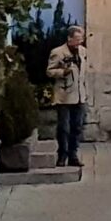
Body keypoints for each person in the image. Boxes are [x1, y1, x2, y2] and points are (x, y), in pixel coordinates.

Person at [44, 24, 90, 167]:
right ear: (69, 38)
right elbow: (49, 71)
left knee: (77, 127)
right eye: (76, 39)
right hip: (64, 95)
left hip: (79, 94)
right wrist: (63, 72)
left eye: (81, 39)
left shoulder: (82, 51)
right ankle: (62, 155)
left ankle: (73, 155)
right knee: (64, 127)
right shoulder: (58, 52)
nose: (79, 42)